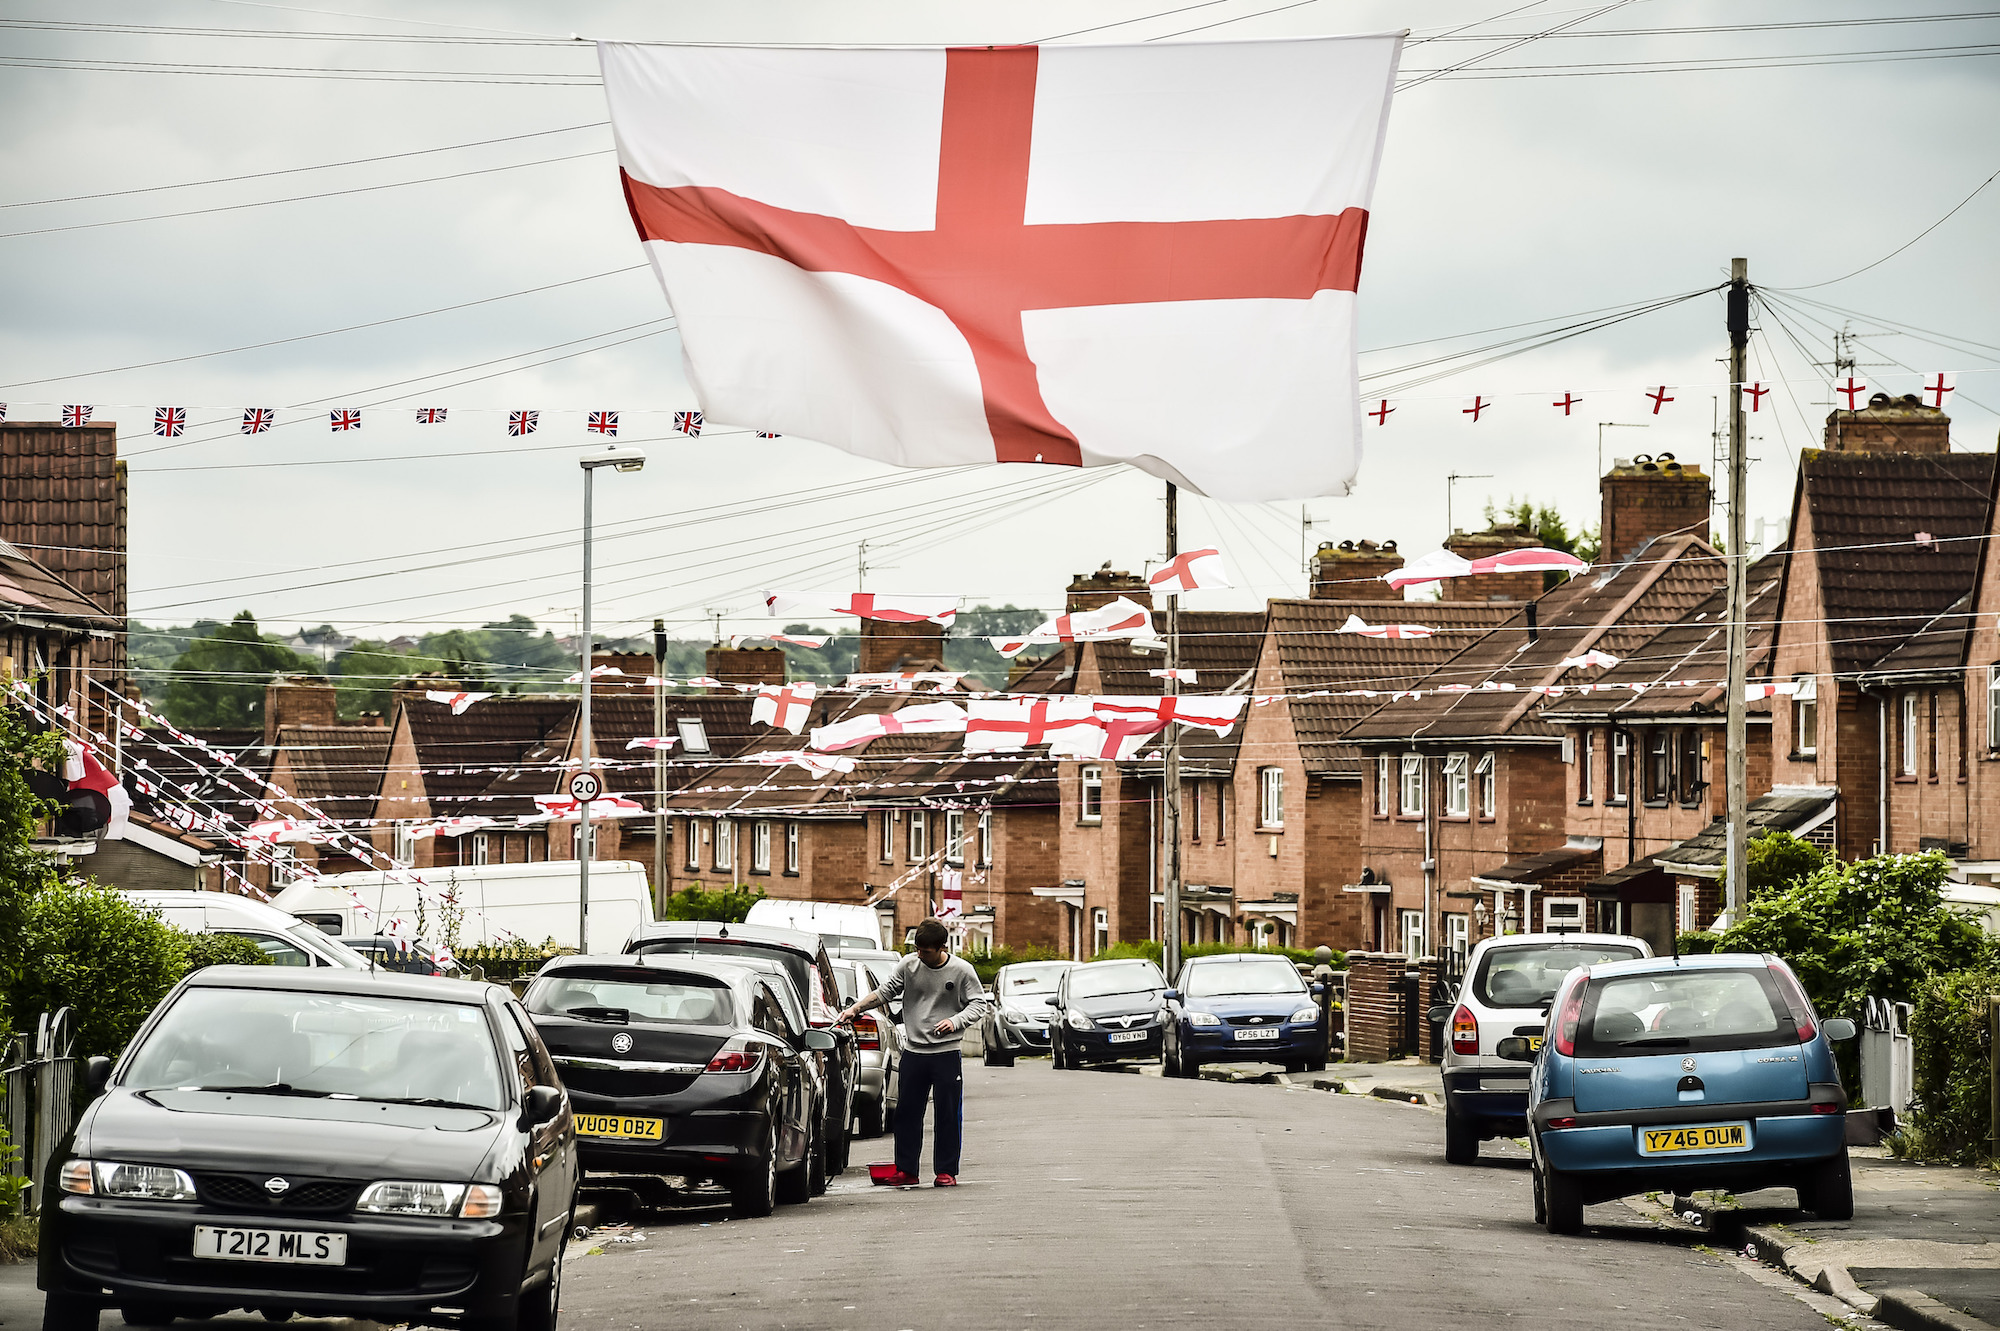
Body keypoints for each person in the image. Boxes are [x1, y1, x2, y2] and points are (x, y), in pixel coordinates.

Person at [835, 917, 989, 1187]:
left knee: (947, 1113)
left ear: (942, 947)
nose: (920, 955)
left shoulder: (962, 970)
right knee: (906, 1113)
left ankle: (946, 1171)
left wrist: (955, 1021)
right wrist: (856, 1009)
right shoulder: (909, 965)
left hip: (946, 1053)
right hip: (915, 1051)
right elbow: (884, 992)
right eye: (917, 949)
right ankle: (907, 1169)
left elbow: (979, 1005)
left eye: (926, 951)